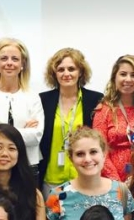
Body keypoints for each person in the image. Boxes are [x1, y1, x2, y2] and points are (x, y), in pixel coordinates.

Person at [46, 127, 134, 220]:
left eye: (93, 152)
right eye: (80, 154)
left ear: (104, 154)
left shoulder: (121, 191)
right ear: (71, 158)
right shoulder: (57, 196)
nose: (87, 159)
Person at [0, 38, 44, 179]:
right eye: (4, 58)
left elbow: (36, 136)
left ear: (23, 63)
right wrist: (23, 131)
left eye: (15, 59)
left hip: (27, 167)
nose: (9, 63)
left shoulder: (33, 96)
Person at [39, 48, 104, 196]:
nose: (66, 74)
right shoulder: (42, 101)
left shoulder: (95, 100)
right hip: (51, 178)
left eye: (71, 69)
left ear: (80, 71)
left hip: (85, 176)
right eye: (60, 69)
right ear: (54, 73)